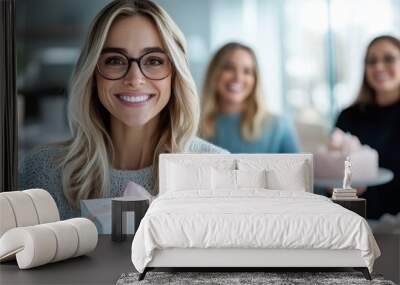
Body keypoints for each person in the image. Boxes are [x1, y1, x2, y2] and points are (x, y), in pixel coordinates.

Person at [19, 0, 226, 219]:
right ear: (92, 74)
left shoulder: (218, 170)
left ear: (175, 74)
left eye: (154, 60)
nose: (135, 79)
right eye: (115, 60)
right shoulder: (41, 172)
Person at [335, 35, 400, 219]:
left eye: (388, 59)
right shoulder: (348, 116)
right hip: (359, 223)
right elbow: (334, 174)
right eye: (372, 61)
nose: (379, 67)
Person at [199, 42, 300, 153]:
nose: (238, 78)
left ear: (255, 80)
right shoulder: (191, 127)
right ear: (214, 73)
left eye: (247, 71)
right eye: (229, 68)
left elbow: (300, 169)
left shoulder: (279, 127)